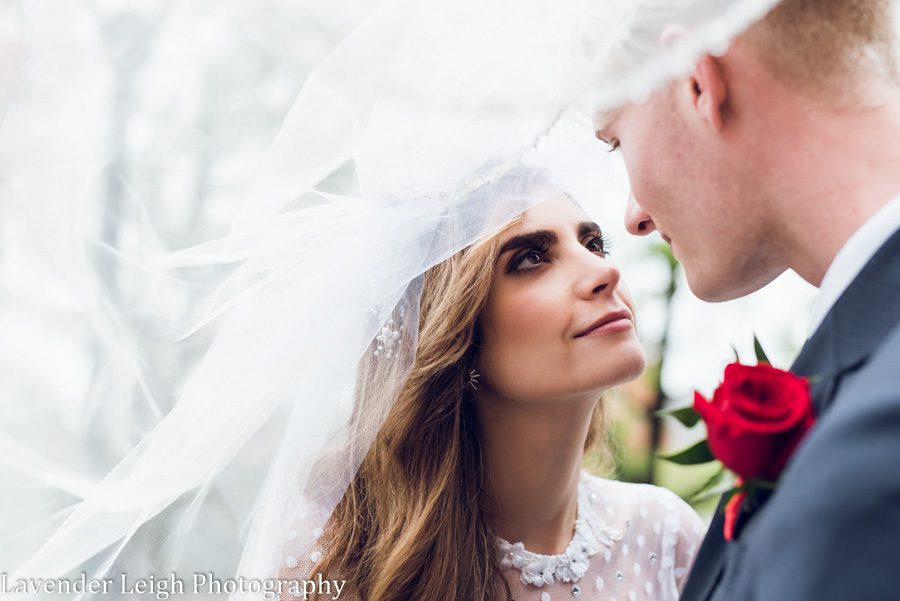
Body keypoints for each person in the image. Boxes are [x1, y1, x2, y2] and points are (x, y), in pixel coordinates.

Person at [594, 1, 900, 599]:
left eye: (615, 140)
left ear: (697, 81)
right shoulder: (862, 370)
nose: (633, 219)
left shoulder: (875, 440)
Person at [279, 191, 705, 601]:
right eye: (531, 259)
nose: (605, 272)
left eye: (594, 244)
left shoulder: (667, 538)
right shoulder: (334, 562)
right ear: (452, 332)